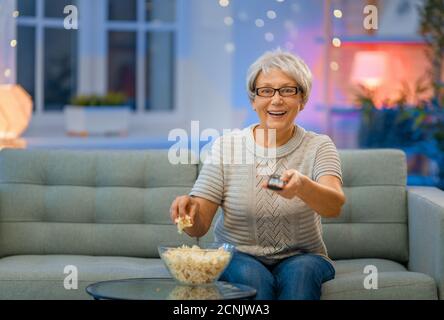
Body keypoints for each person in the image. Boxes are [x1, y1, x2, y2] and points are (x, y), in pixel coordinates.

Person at [170, 49, 346, 300]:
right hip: (236, 254)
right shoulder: (227, 146)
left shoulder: (319, 146)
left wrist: (302, 187)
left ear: (302, 99)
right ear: (253, 100)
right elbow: (198, 228)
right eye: (265, 91)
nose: (276, 100)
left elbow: (334, 206)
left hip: (304, 257)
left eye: (287, 90)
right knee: (253, 278)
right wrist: (186, 213)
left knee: (301, 273)